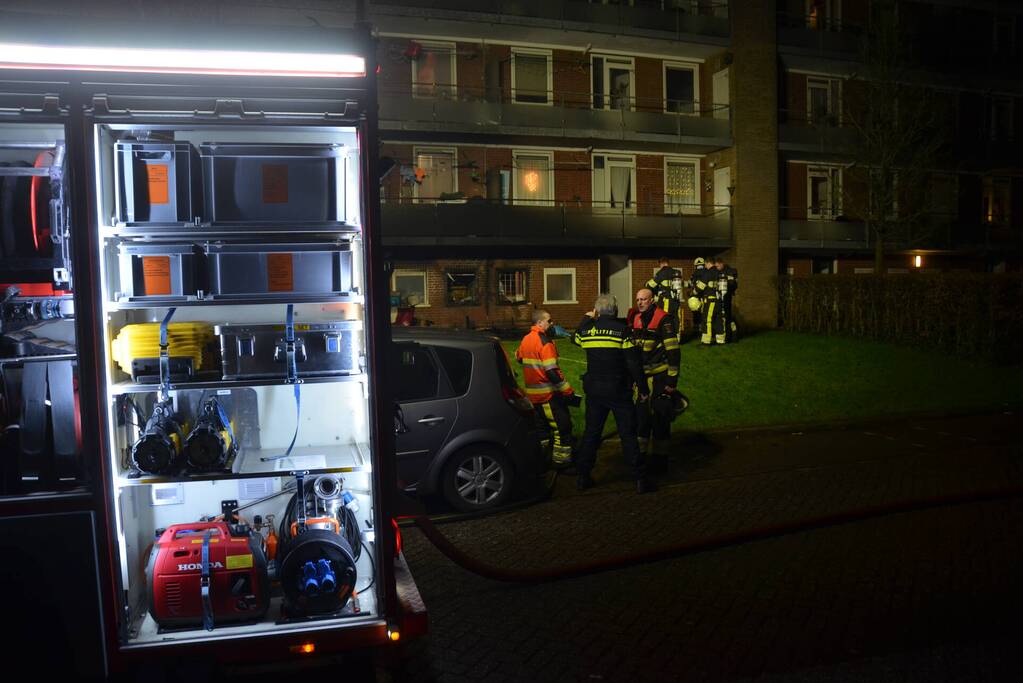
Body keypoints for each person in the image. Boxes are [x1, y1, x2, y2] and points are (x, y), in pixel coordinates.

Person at [571, 294, 656, 494]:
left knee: (591, 434)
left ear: (597, 311)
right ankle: (640, 479)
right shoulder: (622, 331)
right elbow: (633, 363)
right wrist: (643, 389)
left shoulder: (588, 331)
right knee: (628, 435)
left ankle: (583, 477)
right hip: (619, 391)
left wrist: (587, 318)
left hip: (594, 392)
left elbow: (575, 337)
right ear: (615, 310)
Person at [515, 309, 577, 468]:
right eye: (549, 321)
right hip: (548, 396)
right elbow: (552, 371)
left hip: (533, 396)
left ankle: (542, 460)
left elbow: (519, 357)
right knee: (562, 427)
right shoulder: (545, 342)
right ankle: (561, 462)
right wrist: (568, 391)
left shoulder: (526, 339)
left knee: (542, 431)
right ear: (540, 323)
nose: (552, 323)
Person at [631, 288, 681, 473]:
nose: (640, 302)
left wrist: (671, 382)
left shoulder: (663, 319)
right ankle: (641, 458)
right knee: (641, 418)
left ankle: (660, 461)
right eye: (638, 299)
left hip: (660, 377)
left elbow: (673, 352)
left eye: (644, 299)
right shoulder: (636, 318)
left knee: (660, 419)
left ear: (652, 300)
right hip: (642, 379)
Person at [645, 256, 684, 334]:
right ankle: (677, 335)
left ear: (661, 263)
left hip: (666, 301)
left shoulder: (661, 273)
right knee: (676, 317)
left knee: (665, 318)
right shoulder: (676, 272)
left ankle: (667, 335)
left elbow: (650, 285)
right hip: (676, 300)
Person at [694, 256, 726, 345]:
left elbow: (700, 287)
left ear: (708, 263)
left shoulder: (708, 273)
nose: (705, 266)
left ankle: (706, 341)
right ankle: (721, 340)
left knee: (707, 320)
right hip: (719, 301)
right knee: (718, 320)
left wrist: (693, 292)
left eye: (705, 264)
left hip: (710, 300)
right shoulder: (720, 273)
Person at [713, 256, 739, 342]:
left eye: (717, 266)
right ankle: (725, 335)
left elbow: (733, 284)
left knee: (728, 316)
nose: (716, 268)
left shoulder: (729, 271)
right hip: (719, 297)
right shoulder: (718, 272)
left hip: (727, 297)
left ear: (721, 264)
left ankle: (733, 335)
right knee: (722, 316)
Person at [684, 257, 708, 340]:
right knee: (705, 314)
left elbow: (690, 284)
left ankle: (698, 331)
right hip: (706, 297)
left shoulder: (694, 274)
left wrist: (682, 284)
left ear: (695, 266)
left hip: (697, 297)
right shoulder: (707, 273)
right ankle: (705, 331)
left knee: (697, 314)